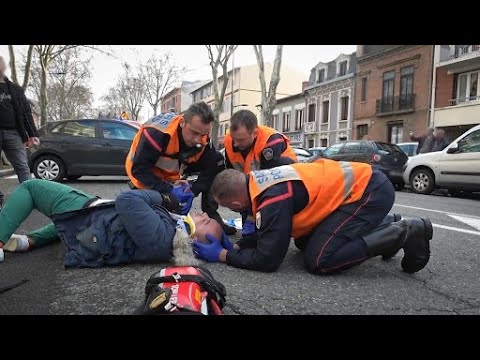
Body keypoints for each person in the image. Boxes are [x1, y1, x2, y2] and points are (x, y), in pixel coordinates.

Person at [193, 160, 433, 275]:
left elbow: (268, 259)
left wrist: (225, 255)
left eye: (230, 208)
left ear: (235, 204)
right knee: (305, 241)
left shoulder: (272, 200)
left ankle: (404, 232)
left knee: (319, 259)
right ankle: (387, 225)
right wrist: (238, 245)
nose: (235, 212)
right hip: (362, 187)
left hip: (369, 193)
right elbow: (268, 231)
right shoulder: (259, 183)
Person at [0, 179, 228, 268]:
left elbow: (127, 200)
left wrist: (164, 198)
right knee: (60, 224)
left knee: (31, 188)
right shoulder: (171, 234)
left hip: (87, 219)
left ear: (195, 239)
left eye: (206, 221)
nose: (204, 214)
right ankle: (28, 241)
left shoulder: (163, 237)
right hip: (93, 223)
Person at [125, 102, 235, 234]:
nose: (198, 140)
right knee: (151, 223)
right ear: (182, 122)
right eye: (194, 133)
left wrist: (193, 190)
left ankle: (211, 214)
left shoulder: (202, 136)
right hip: (144, 176)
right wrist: (169, 189)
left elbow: (211, 164)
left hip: (174, 169)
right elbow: (139, 170)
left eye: (203, 134)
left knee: (217, 161)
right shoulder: (156, 133)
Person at [223, 109, 298, 235]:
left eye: (241, 140)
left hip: (285, 180)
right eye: (234, 138)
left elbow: (266, 184)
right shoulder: (230, 141)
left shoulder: (270, 141)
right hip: (252, 181)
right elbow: (235, 175)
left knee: (265, 214)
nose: (235, 143)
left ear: (255, 133)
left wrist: (252, 217)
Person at [0, 55, 39, 208]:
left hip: (14, 133)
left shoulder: (15, 89)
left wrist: (33, 134)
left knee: (23, 167)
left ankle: (31, 197)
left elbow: (26, 113)